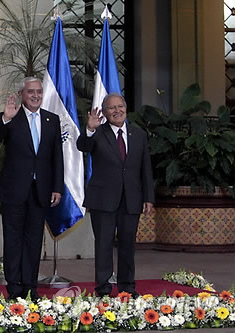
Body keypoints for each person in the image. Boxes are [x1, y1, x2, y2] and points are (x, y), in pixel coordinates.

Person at [0, 77, 64, 300]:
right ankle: (14, 288)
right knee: (13, 241)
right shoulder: (13, 117)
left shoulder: (52, 120)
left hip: (40, 191)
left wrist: (57, 187)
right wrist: (5, 118)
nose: (35, 96)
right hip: (14, 191)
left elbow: (56, 157)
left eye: (39, 92)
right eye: (31, 92)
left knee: (33, 241)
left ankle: (31, 287)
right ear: (22, 94)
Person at [76, 93, 154, 297]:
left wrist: (148, 197)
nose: (117, 111)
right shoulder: (98, 133)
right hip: (103, 199)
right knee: (103, 245)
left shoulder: (138, 134)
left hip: (131, 199)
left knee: (128, 245)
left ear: (126, 109)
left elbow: (145, 168)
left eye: (120, 106)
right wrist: (90, 129)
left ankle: (127, 287)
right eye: (112, 108)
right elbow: (82, 146)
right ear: (104, 112)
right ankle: (103, 288)